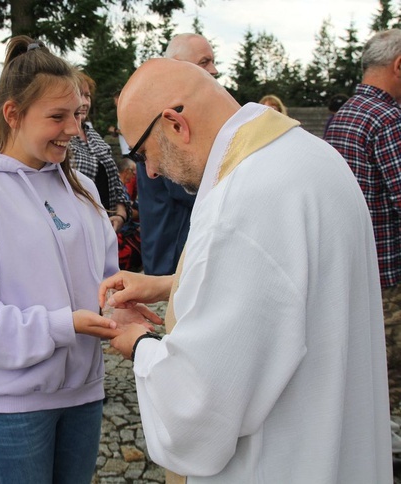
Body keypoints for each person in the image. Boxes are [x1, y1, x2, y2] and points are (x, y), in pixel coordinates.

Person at [99, 57, 392, 482]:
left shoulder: (243, 201)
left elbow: (203, 403)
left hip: (279, 462)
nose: (152, 171)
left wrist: (141, 344)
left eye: (144, 152)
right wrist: (169, 285)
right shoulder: (309, 155)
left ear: (175, 124)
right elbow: (291, 286)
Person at [0, 36, 148, 484]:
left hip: (82, 394)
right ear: (13, 114)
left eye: (77, 115)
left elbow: (102, 280)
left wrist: (116, 306)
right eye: (57, 116)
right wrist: (60, 326)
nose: (74, 129)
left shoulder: (81, 187)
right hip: (9, 406)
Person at [325, 29, 401, 419]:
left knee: (365, 375)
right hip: (389, 279)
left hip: (350, 271)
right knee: (393, 381)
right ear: (398, 65)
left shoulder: (342, 117)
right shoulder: (389, 119)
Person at [135, 33, 215, 276]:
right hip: (172, 258)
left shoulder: (179, 111)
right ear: (179, 64)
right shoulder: (168, 117)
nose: (213, 71)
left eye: (212, 62)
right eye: (204, 62)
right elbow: (187, 188)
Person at [69, 71, 130, 232]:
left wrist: (121, 214)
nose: (84, 102)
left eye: (87, 96)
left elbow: (116, 183)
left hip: (107, 229)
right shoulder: (60, 140)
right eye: (78, 95)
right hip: (78, 231)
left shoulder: (93, 135)